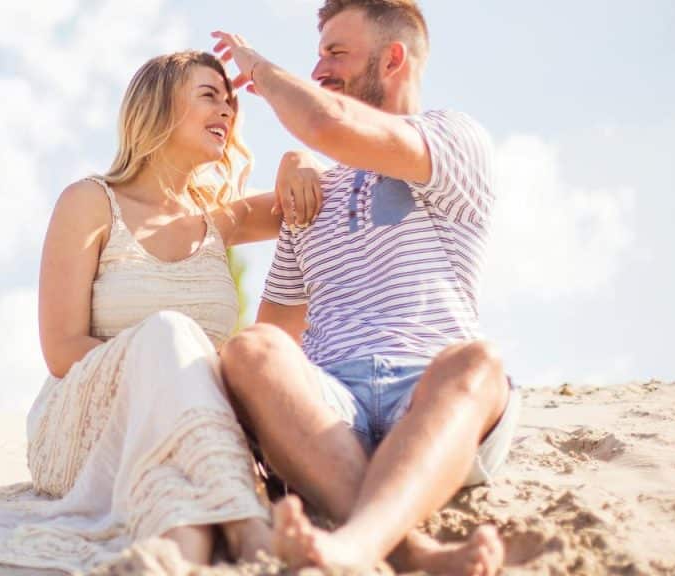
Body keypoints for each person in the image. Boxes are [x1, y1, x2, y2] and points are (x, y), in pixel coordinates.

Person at [0, 50, 323, 572]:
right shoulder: (91, 202)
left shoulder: (220, 219)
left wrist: (298, 160)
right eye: (209, 95)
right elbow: (61, 350)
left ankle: (179, 551)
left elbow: (313, 198)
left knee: (177, 424)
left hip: (193, 427)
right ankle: (248, 527)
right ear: (157, 106)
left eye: (231, 103)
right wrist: (161, 370)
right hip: (84, 424)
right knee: (168, 333)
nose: (227, 111)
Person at [213, 1, 518, 574]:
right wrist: (298, 163)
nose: (320, 68)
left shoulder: (454, 140)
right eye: (318, 53)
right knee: (250, 347)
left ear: (394, 58)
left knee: (479, 361)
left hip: (430, 397)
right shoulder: (309, 193)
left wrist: (257, 69)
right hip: (332, 409)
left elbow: (329, 124)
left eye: (337, 52)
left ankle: (354, 544)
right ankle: (404, 551)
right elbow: (271, 349)